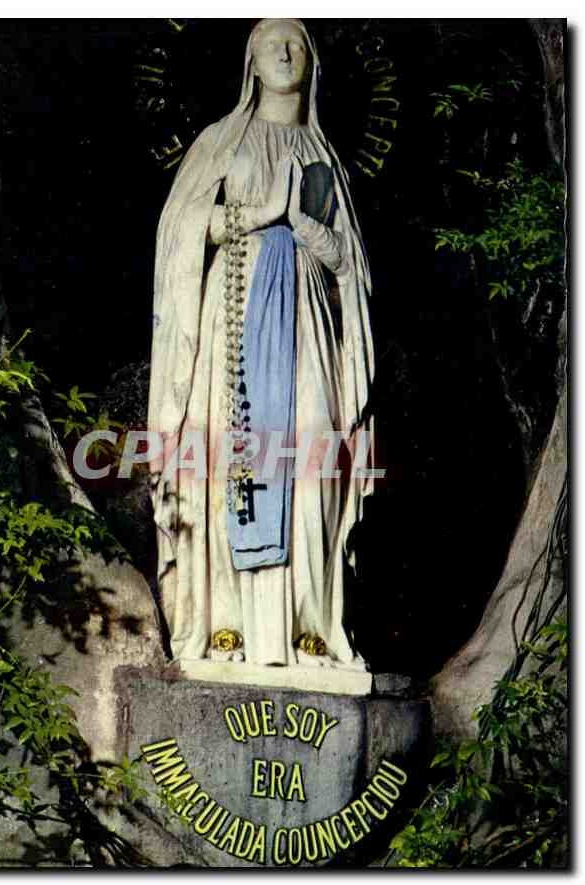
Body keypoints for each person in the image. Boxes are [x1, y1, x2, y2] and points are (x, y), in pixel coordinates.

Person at [148, 19, 374, 670]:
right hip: (234, 302)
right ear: (251, 62)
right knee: (231, 453)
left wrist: (310, 230)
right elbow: (186, 227)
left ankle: (310, 624)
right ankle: (227, 625)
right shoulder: (221, 141)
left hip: (305, 315)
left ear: (311, 62)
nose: (284, 51)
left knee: (311, 453)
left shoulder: (321, 156)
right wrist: (260, 212)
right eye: (272, 42)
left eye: (296, 43)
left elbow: (345, 259)